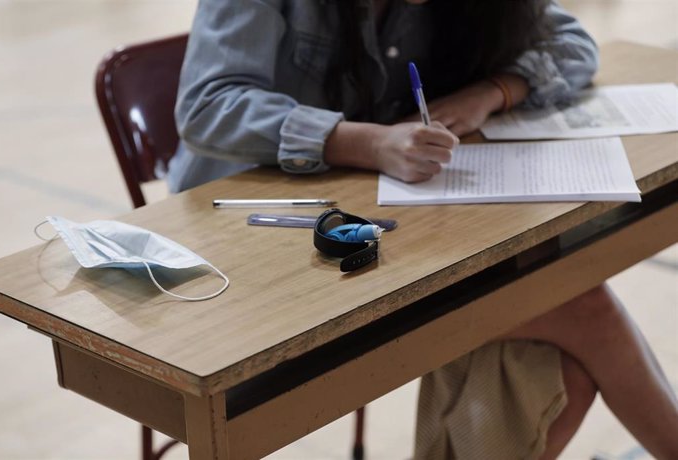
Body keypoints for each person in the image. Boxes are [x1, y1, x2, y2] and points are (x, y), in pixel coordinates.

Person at [170, 1, 678, 458]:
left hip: (392, 232)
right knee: (579, 309)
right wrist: (366, 143)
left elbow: (572, 44)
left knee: (557, 365)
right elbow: (207, 105)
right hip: (253, 251)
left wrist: (492, 92)